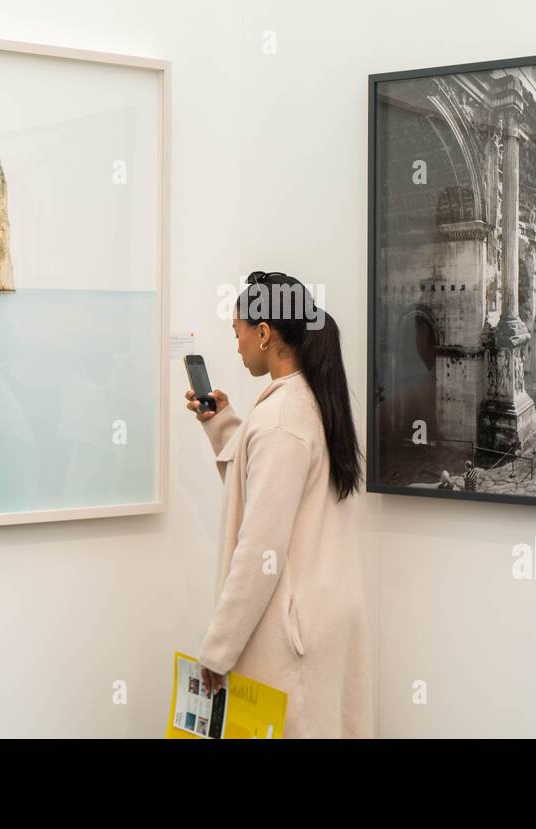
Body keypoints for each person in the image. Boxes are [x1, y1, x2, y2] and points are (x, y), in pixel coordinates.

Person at [185, 271, 372, 739]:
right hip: (318, 621)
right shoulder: (308, 403)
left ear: (264, 333)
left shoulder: (281, 419)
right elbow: (264, 493)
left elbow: (260, 547)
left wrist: (218, 648)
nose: (237, 344)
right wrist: (224, 424)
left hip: (292, 636)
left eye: (238, 331)